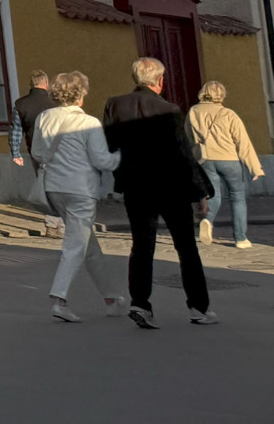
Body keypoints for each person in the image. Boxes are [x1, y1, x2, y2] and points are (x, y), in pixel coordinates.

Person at [102, 57, 214, 327]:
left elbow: (109, 142)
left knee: (141, 244)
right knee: (186, 247)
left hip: (136, 185)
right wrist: (201, 192)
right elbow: (182, 152)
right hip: (170, 185)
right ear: (161, 81)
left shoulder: (115, 105)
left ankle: (140, 303)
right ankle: (198, 307)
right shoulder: (170, 109)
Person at [31, 71, 122, 322]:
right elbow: (102, 160)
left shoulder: (44, 117)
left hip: (53, 187)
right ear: (80, 95)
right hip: (81, 189)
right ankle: (59, 298)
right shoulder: (89, 122)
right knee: (75, 245)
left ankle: (111, 297)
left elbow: (38, 153)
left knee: (88, 245)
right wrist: (121, 157)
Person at [186, 79, 261, 249]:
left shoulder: (193, 111)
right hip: (229, 159)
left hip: (205, 159)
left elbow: (188, 137)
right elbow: (243, 142)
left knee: (213, 195)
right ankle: (241, 238)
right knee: (237, 197)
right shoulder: (228, 114)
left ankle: (207, 220)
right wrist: (254, 167)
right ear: (221, 94)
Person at [12, 71, 58, 231]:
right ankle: (60, 222)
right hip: (58, 149)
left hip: (35, 150)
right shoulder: (55, 102)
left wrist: (16, 152)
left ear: (31, 84)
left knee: (45, 185)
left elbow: (16, 130)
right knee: (60, 185)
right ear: (46, 84)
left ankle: (52, 224)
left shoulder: (21, 104)